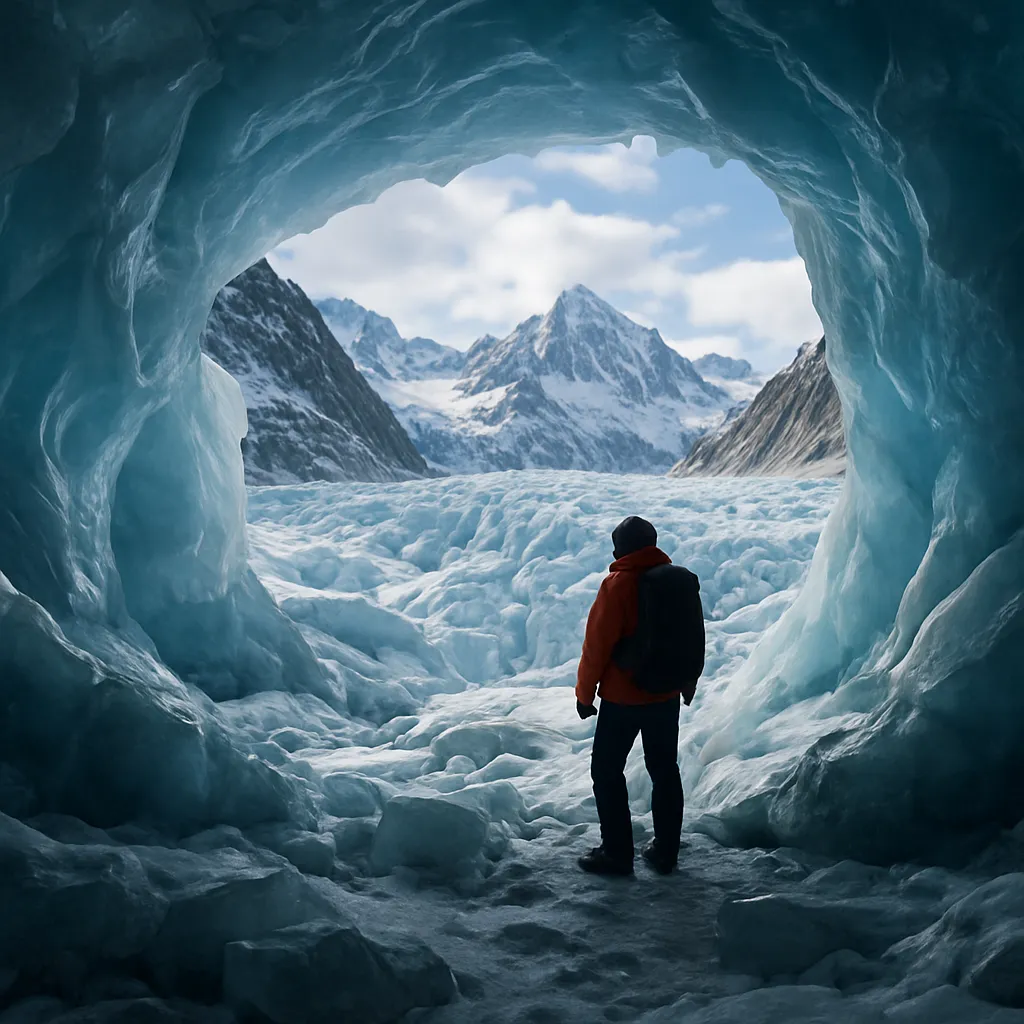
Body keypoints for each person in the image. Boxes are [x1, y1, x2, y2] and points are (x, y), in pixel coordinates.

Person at [575, 516, 686, 876]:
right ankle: (666, 853)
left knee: (606, 771)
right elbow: (691, 639)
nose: (612, 550)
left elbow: (597, 646)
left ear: (625, 547)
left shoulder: (618, 585)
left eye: (616, 543)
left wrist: (585, 694)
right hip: (665, 696)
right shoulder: (677, 582)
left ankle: (617, 853)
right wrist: (687, 684)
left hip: (623, 699)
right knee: (665, 772)